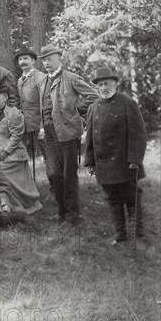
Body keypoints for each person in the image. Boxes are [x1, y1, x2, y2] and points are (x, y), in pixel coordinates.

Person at [84, 67, 148, 245]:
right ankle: (120, 234)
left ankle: (138, 234)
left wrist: (135, 159)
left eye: (106, 83)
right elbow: (90, 136)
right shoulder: (94, 107)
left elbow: (139, 134)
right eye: (100, 85)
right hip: (103, 165)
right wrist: (89, 162)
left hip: (125, 163)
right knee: (112, 200)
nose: (103, 87)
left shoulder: (127, 103)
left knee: (131, 198)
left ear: (115, 84)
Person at [37, 44, 98, 227]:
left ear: (59, 59)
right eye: (44, 60)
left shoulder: (71, 78)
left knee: (68, 174)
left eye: (50, 59)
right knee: (54, 172)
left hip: (67, 132)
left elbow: (93, 96)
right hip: (48, 132)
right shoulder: (43, 82)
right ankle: (61, 211)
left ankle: (72, 215)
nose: (47, 63)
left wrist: (76, 113)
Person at [0, 81, 42, 215]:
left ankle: (14, 205)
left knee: (3, 169)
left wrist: (6, 151)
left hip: (10, 148)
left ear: (6, 97)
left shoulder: (14, 113)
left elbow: (16, 135)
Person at [15, 45, 47, 171]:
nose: (22, 62)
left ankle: (55, 185)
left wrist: (43, 127)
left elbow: (44, 103)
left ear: (33, 60)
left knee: (48, 156)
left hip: (40, 125)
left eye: (25, 59)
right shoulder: (19, 80)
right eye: (20, 59)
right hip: (26, 125)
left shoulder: (40, 77)